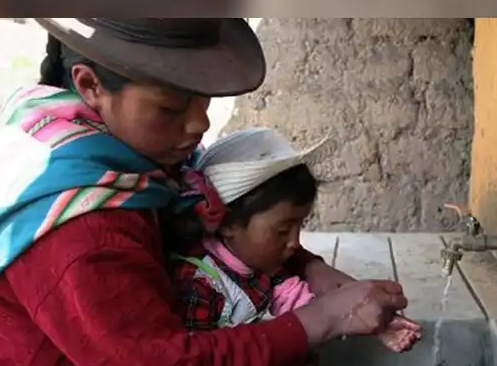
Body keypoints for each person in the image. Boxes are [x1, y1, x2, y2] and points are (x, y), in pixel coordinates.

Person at [0, 18, 412, 366]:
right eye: (170, 108)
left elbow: (213, 214)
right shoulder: (82, 227)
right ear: (90, 86)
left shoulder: (106, 146)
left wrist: (309, 268)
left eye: (202, 101)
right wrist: (327, 317)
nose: (198, 125)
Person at [173, 127, 422, 354]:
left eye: (300, 226)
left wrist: (374, 323)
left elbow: (304, 303)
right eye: (282, 231)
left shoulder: (265, 267)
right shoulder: (199, 285)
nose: (294, 242)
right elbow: (202, 361)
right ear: (228, 225)